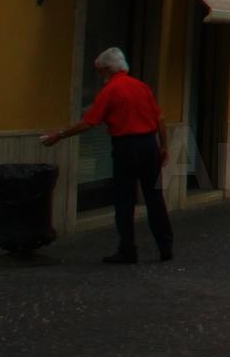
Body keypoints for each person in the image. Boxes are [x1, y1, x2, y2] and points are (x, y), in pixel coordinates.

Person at [41, 47, 173, 264]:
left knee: (124, 200)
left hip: (125, 147)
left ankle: (128, 250)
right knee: (155, 198)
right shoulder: (142, 87)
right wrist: (164, 146)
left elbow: (88, 122)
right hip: (149, 145)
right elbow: (160, 119)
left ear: (108, 70)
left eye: (101, 71)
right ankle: (165, 246)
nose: (100, 76)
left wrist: (59, 135)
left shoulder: (110, 90)